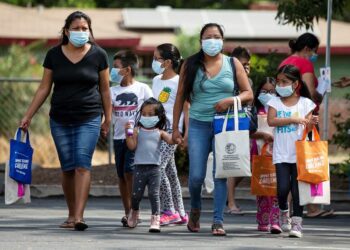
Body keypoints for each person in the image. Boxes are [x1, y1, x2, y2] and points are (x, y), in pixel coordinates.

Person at [20, 11, 111, 231]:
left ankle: (79, 216)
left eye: (85, 28)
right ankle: (71, 215)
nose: (81, 32)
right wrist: (28, 115)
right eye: (77, 28)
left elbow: (105, 90)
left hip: (89, 116)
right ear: (66, 31)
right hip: (59, 118)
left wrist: (108, 118)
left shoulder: (99, 55)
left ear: (90, 31)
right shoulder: (53, 54)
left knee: (82, 165)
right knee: (67, 168)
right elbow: (44, 88)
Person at [172, 23, 254, 236]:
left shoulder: (232, 62)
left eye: (216, 36)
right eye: (208, 36)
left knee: (220, 173)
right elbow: (180, 97)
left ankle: (218, 220)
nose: (212, 40)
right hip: (199, 123)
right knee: (197, 176)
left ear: (223, 40)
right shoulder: (190, 64)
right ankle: (196, 209)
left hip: (225, 125)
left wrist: (230, 100)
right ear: (201, 41)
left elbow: (248, 93)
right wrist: (175, 129)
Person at [279, 33, 334, 218]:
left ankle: (287, 209)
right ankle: (311, 207)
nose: (314, 55)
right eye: (314, 51)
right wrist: (323, 89)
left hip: (286, 118)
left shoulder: (284, 62)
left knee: (290, 163)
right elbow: (312, 94)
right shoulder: (305, 64)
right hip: (307, 118)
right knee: (308, 160)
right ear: (307, 49)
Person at [267, 64, 318, 238]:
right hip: (281, 154)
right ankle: (283, 211)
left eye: (285, 82)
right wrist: (293, 119)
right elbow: (271, 121)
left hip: (300, 155)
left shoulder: (306, 103)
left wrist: (312, 123)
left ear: (296, 84)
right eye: (278, 82)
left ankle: (297, 223)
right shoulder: (274, 102)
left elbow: (309, 129)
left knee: (298, 191)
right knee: (282, 189)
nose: (280, 85)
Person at [110, 50, 153, 227]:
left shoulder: (143, 89)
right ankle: (127, 211)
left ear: (127, 70)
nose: (112, 71)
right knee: (121, 174)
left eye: (116, 68)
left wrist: (141, 129)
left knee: (130, 171)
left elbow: (152, 111)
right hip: (118, 137)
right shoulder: (111, 90)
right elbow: (107, 112)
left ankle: (135, 209)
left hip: (136, 138)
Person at [151, 43, 189, 226]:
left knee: (157, 168)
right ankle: (180, 212)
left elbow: (186, 108)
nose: (153, 61)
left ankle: (169, 211)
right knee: (170, 172)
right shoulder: (156, 80)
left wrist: (184, 132)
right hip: (157, 131)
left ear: (167, 62)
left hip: (171, 131)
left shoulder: (179, 81)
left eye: (156, 58)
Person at [125, 97, 175, 233]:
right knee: (136, 195)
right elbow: (132, 146)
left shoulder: (160, 132)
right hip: (139, 168)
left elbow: (171, 141)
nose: (146, 117)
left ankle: (155, 218)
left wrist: (177, 136)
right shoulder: (137, 131)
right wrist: (128, 134)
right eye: (144, 114)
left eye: (151, 115)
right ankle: (134, 211)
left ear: (158, 117)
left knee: (154, 194)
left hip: (155, 169)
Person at [250, 77, 281, 234]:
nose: (268, 94)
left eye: (272, 91)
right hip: (259, 153)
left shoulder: (281, 110)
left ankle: (275, 221)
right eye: (264, 91)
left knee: (276, 188)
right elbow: (248, 132)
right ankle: (263, 219)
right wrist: (261, 135)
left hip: (277, 153)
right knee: (262, 187)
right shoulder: (254, 110)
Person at [226, 46, 252, 215]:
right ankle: (231, 203)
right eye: (243, 64)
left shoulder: (248, 81)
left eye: (248, 64)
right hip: (229, 124)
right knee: (232, 164)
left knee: (245, 165)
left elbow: (251, 103)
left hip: (245, 124)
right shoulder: (228, 81)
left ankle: (226, 195)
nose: (246, 68)